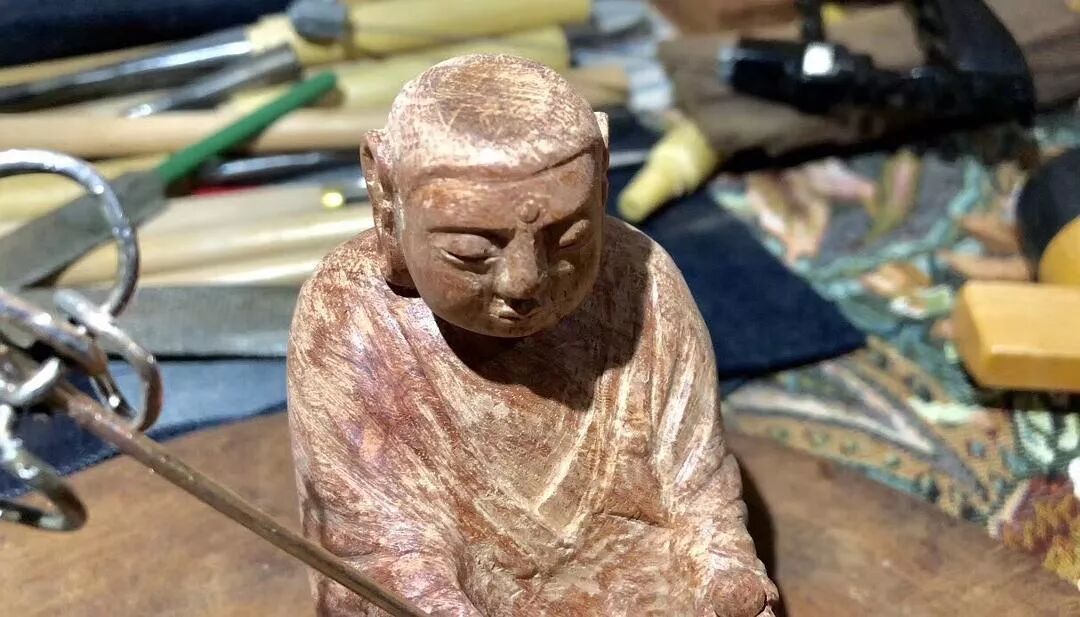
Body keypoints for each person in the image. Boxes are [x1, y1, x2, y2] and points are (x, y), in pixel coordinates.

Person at [288, 54, 776, 616]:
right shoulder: (351, 316)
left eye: (568, 238)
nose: (525, 282)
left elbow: (695, 484)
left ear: (602, 179)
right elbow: (378, 544)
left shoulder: (641, 281)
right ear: (386, 195)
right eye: (470, 252)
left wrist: (722, 568)